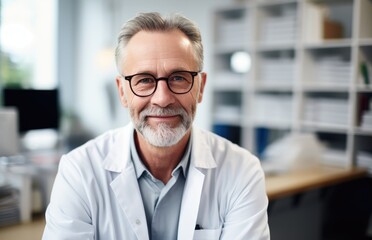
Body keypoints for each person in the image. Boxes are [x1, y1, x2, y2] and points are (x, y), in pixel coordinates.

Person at [43, 12, 270, 240]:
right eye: (144, 80)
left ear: (200, 88)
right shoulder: (79, 172)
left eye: (178, 78)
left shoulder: (242, 171)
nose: (162, 99)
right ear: (122, 91)